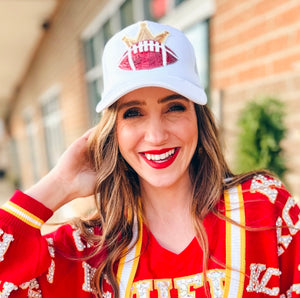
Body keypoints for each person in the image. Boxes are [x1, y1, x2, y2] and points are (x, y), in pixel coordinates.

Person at [0, 20, 299, 298]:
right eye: (133, 113)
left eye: (174, 108)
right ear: (112, 131)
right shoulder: (88, 252)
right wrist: (58, 184)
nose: (156, 136)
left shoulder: (265, 206)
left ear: (198, 117)